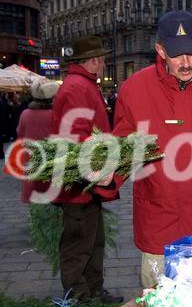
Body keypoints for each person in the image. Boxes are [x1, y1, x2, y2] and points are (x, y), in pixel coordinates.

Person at [93, 10, 192, 288]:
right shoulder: (134, 89)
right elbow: (124, 149)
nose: (185, 62)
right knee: (159, 298)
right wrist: (109, 176)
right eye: (176, 54)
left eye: (190, 52)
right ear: (160, 50)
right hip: (158, 226)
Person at [51, 36, 123, 303]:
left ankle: (93, 290)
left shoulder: (81, 85)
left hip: (87, 180)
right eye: (102, 59)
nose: (104, 64)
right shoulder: (77, 88)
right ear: (94, 60)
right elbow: (76, 136)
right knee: (78, 241)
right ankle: (77, 294)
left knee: (94, 241)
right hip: (79, 181)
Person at [16, 80, 59, 203]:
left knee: (36, 205)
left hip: (32, 161)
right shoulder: (55, 114)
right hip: (52, 162)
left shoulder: (25, 114)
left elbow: (20, 133)